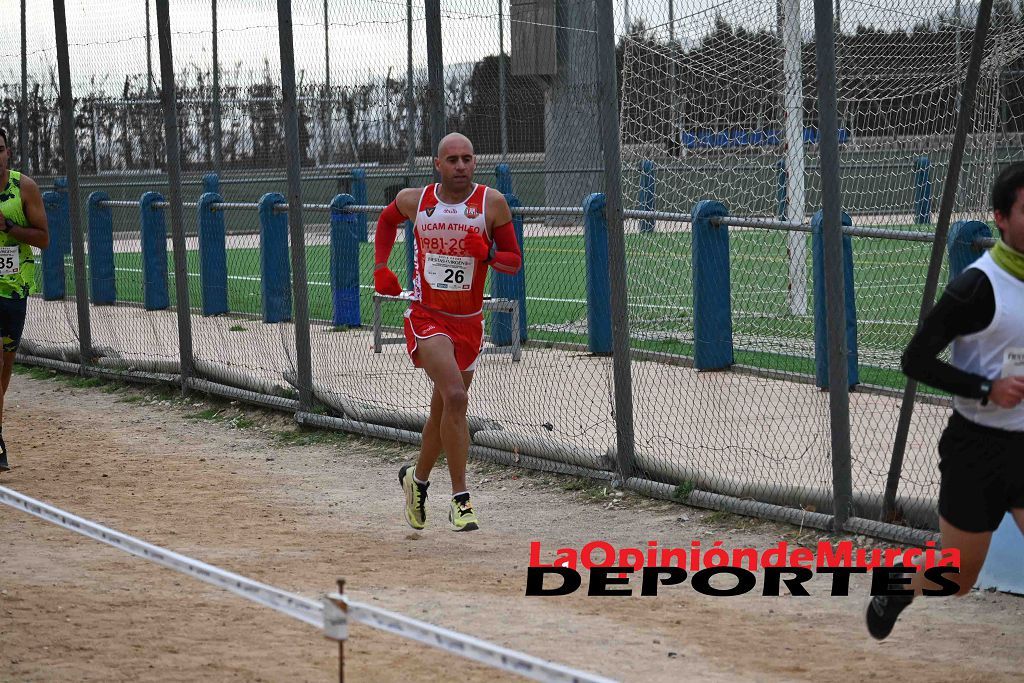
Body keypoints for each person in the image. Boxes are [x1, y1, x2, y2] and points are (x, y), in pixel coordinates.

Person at [866, 161, 1024, 639]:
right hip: (976, 450)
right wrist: (985, 389)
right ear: (999, 216)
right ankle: (896, 587)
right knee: (957, 578)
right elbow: (914, 360)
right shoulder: (977, 288)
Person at [373, 132, 522, 532]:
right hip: (427, 316)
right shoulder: (415, 200)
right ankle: (461, 500)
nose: (460, 166)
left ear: (476, 163)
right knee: (456, 396)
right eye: (452, 159)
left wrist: (488, 254)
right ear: (437, 164)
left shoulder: (492, 203)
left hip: (469, 323)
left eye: (467, 159)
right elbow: (386, 220)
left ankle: (416, 480)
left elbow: (513, 262)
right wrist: (381, 267)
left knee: (444, 409)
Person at [0, 126, 49, 473]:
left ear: (7, 152)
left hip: (14, 289)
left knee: (4, 368)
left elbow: (43, 239)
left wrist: (9, 228)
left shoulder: (24, 188)